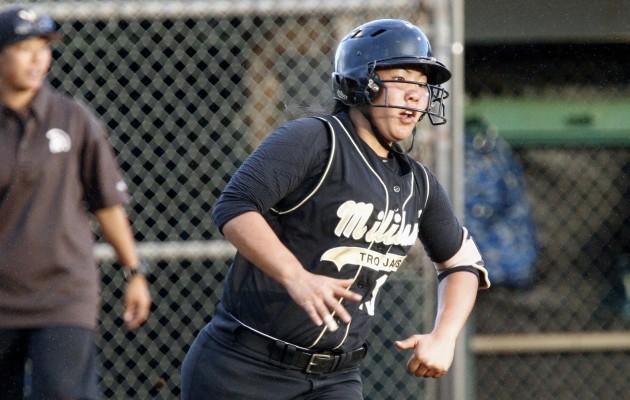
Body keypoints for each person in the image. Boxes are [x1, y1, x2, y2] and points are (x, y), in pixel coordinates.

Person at [181, 19, 490, 400]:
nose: (416, 95)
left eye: (422, 83)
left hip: (336, 379)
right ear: (360, 84)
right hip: (244, 367)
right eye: (402, 78)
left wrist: (444, 337)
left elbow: (463, 264)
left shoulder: (419, 183)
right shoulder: (315, 139)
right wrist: (296, 276)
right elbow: (235, 206)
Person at [0, 6, 151, 400]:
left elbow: (107, 202)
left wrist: (134, 270)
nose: (38, 59)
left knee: (66, 392)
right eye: (24, 48)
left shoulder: (73, 118)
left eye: (44, 48)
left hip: (62, 294)